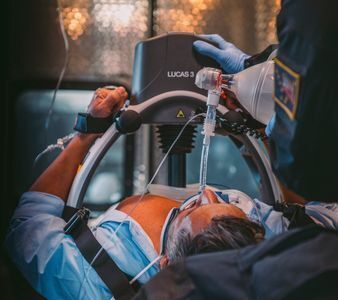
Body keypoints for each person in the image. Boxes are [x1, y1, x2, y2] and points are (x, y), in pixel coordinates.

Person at [5, 87, 265, 300]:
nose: (207, 191)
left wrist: (88, 132)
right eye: (220, 201)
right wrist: (253, 129)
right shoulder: (263, 234)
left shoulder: (98, 286)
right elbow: (298, 210)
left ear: (165, 266)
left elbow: (27, 228)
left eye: (191, 209)